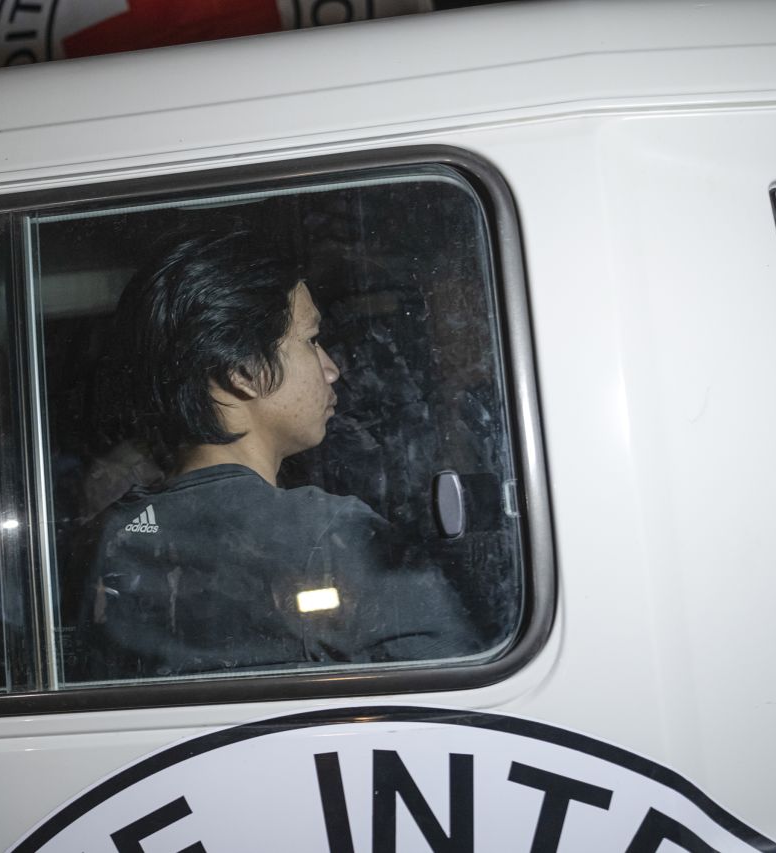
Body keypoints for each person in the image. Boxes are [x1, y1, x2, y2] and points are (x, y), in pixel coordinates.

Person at [73, 227, 479, 680]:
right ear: (244, 371)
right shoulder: (330, 538)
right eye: (309, 340)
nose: (330, 367)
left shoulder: (109, 539)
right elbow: (456, 685)